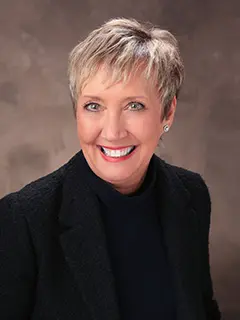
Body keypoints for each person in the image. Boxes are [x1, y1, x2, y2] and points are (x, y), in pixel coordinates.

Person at [0, 18, 221, 320]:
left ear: (168, 111)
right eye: (94, 106)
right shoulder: (23, 220)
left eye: (134, 106)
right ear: (76, 111)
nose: (113, 132)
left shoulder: (191, 195)